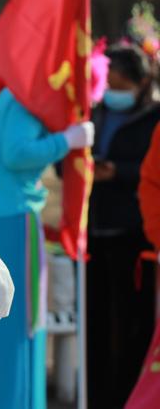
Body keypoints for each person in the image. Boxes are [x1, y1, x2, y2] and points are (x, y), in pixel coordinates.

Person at [0, 88, 94, 409]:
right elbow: (16, 152)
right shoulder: (26, 94)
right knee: (12, 335)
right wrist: (67, 140)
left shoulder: (10, 90)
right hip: (13, 223)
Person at [86, 43, 160, 409]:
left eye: (119, 84)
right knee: (96, 323)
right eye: (108, 85)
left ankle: (130, 396)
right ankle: (98, 396)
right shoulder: (94, 112)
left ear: (141, 81)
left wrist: (118, 172)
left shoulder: (154, 117)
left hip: (135, 237)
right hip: (94, 231)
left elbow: (149, 172)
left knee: (135, 325)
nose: (111, 93)